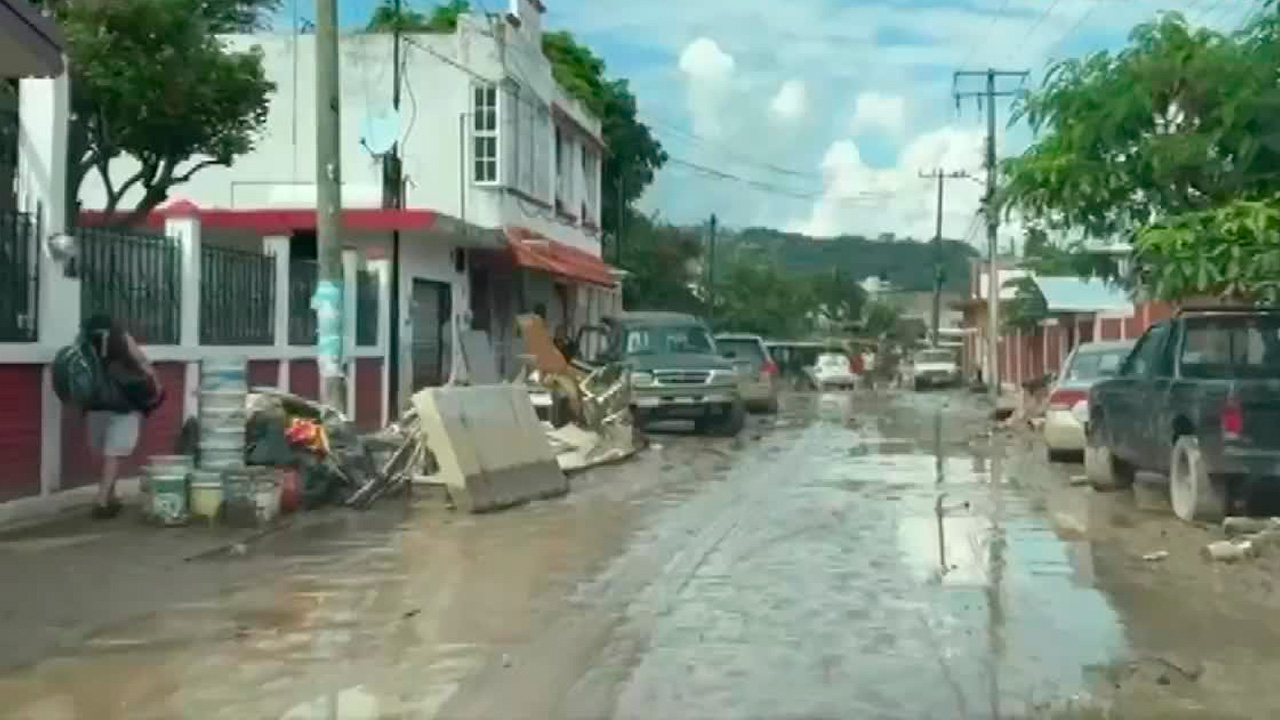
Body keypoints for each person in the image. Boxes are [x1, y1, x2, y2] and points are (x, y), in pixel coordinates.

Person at [82, 314, 163, 519]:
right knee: (113, 454)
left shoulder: (84, 342)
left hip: (96, 403)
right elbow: (142, 362)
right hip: (124, 403)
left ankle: (111, 497)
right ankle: (102, 501)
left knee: (104, 454)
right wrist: (155, 383)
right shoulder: (121, 337)